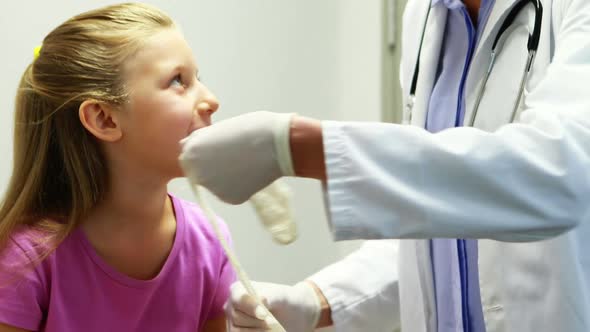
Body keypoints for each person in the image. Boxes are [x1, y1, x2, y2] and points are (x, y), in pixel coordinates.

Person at [180, 0, 590, 331]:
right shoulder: (426, 17)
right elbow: (437, 216)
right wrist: (319, 299)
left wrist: (299, 147)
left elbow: (556, 174)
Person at [0, 3, 233, 332]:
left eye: (198, 77)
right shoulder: (26, 260)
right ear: (104, 119)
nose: (211, 99)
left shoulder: (210, 240)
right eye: (178, 81)